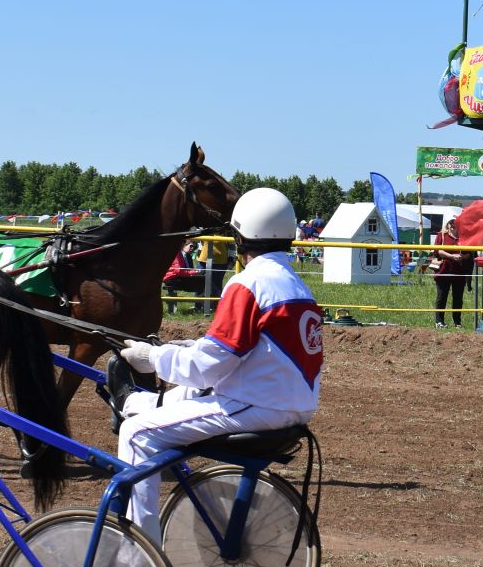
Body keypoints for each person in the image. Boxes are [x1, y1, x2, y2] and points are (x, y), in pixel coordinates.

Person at [108, 188, 323, 544]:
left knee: (137, 435)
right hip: (290, 403)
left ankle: (139, 552)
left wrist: (154, 358)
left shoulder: (248, 283)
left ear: (239, 236)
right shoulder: (297, 285)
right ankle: (132, 403)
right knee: (190, 391)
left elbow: (210, 366)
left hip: (258, 406)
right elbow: (244, 350)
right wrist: (178, 347)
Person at [431, 222, 470, 329]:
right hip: (444, 271)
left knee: (458, 298)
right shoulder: (441, 236)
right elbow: (438, 251)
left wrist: (462, 256)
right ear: (448, 225)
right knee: (442, 296)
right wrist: (452, 256)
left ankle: (457, 322)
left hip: (459, 272)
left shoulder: (463, 237)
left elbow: (469, 254)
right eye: (451, 223)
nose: (453, 226)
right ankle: (439, 321)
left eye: (455, 224)